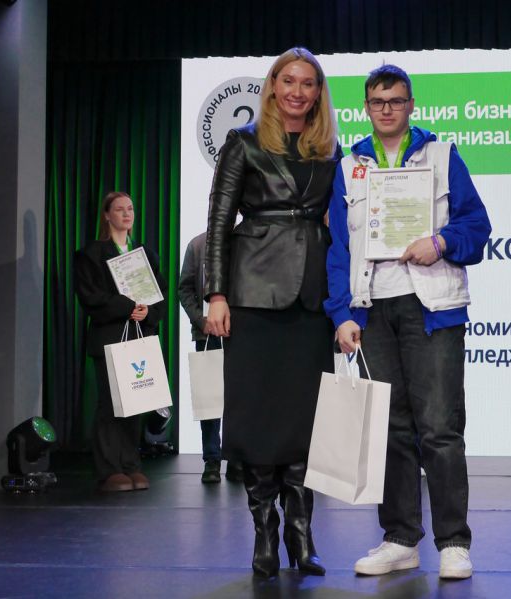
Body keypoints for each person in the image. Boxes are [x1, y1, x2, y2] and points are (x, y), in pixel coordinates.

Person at [325, 64, 491, 580]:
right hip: (372, 309)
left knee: (439, 428)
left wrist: (440, 242)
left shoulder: (441, 155)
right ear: (366, 107)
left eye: (396, 100)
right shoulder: (349, 165)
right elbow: (338, 247)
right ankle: (400, 538)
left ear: (411, 104)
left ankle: (453, 542)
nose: (387, 109)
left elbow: (477, 226)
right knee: (390, 430)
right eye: (378, 102)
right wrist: (342, 314)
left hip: (432, 307)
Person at [203, 47, 340, 578]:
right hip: (254, 295)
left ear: (318, 92)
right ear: (273, 85)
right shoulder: (242, 142)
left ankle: (300, 533)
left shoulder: (329, 149)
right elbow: (218, 223)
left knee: (307, 420)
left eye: (308, 83)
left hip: (311, 299)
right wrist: (216, 294)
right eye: (289, 81)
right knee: (258, 418)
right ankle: (264, 531)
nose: (297, 92)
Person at [74, 191, 168, 493]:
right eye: (119, 209)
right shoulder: (91, 253)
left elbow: (160, 294)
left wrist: (148, 311)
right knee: (111, 405)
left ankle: (130, 465)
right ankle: (109, 470)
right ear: (106, 215)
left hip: (139, 336)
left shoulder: (145, 254)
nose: (127, 214)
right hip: (110, 338)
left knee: (136, 404)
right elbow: (90, 297)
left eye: (130, 208)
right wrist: (127, 306)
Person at [178, 231, 243, 484]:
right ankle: (212, 460)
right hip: (207, 332)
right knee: (209, 397)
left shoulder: (246, 239)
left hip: (241, 334)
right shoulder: (197, 244)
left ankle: (238, 458)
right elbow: (184, 288)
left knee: (241, 398)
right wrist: (200, 320)